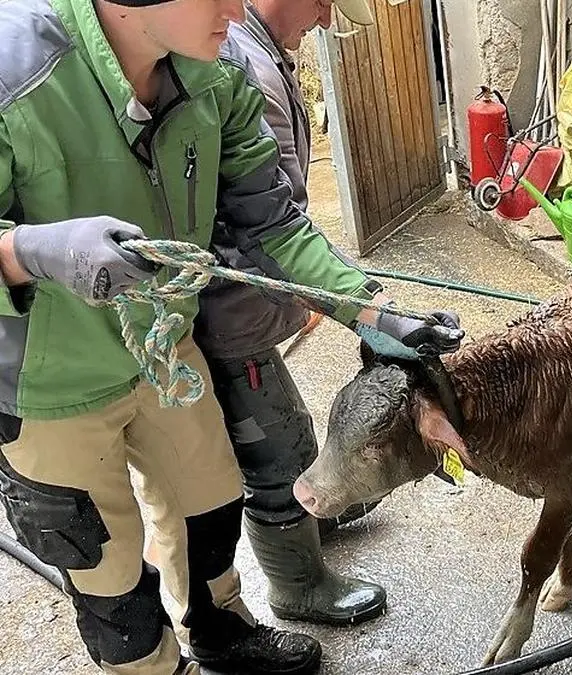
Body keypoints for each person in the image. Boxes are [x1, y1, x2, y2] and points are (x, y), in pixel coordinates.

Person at [0, 0, 462, 673]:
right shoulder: (17, 72)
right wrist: (33, 249)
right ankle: (156, 666)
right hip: (49, 383)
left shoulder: (220, 73)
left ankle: (220, 631)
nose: (236, 4)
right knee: (105, 567)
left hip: (164, 350)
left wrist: (373, 311)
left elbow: (274, 226)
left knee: (210, 500)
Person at [192, 0, 390, 627]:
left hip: (249, 302)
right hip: (229, 311)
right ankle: (296, 584)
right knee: (275, 447)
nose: (328, 20)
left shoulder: (258, 47)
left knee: (286, 421)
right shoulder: (240, 63)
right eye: (324, 2)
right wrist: (366, 309)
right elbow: (272, 229)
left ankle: (306, 519)